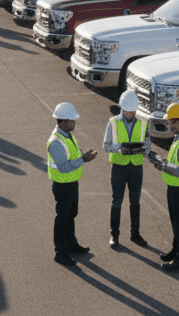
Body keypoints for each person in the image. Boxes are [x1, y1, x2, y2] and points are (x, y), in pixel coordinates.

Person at [48, 102, 97, 267]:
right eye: (72, 121)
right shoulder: (55, 142)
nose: (74, 123)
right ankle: (60, 253)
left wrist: (83, 157)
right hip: (63, 185)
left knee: (71, 214)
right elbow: (63, 167)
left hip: (72, 183)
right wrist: (82, 160)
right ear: (63, 122)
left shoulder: (68, 135)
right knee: (62, 219)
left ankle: (71, 244)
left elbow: (72, 157)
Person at [150, 103, 179, 271]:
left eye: (172, 123)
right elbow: (175, 165)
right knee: (176, 222)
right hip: (176, 187)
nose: (169, 126)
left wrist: (163, 167)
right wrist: (162, 162)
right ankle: (176, 251)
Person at [103, 90, 147, 249]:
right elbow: (106, 145)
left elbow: (147, 145)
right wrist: (119, 149)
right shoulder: (113, 123)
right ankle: (114, 235)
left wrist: (141, 149)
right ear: (122, 109)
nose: (130, 115)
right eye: (128, 112)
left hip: (136, 168)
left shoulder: (142, 123)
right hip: (119, 169)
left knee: (135, 202)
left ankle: (135, 234)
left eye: (133, 112)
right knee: (117, 202)